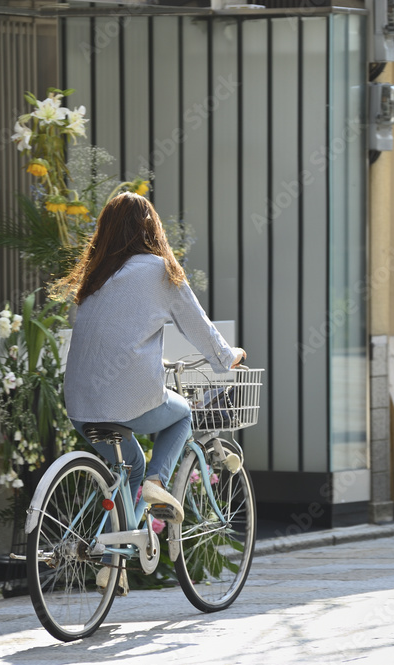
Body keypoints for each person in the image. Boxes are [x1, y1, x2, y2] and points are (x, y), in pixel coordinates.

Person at [52, 192, 244, 593]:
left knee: (129, 469)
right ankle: (159, 482)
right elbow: (199, 327)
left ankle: (112, 564)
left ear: (105, 233)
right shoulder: (160, 270)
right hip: (130, 397)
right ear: (151, 229)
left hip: (81, 405)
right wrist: (228, 357)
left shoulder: (96, 276)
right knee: (183, 415)